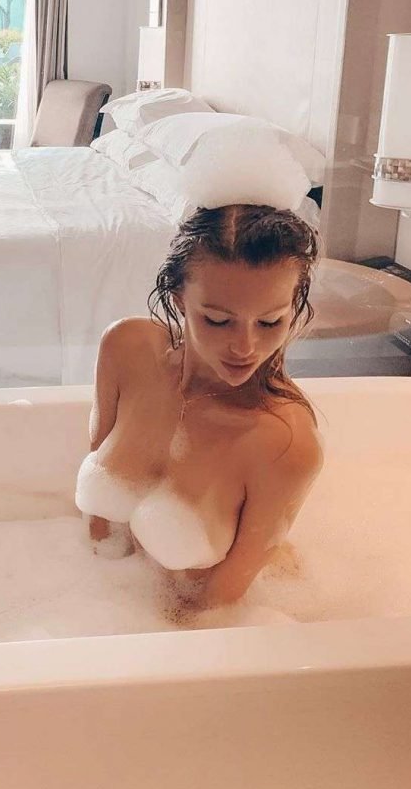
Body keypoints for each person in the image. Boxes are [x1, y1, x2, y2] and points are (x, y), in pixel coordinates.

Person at [75, 203, 324, 610]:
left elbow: (218, 603)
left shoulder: (284, 442)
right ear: (178, 299)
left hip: (193, 619)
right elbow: (97, 495)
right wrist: (93, 578)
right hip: (111, 595)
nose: (245, 347)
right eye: (218, 320)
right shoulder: (127, 348)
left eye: (270, 322)